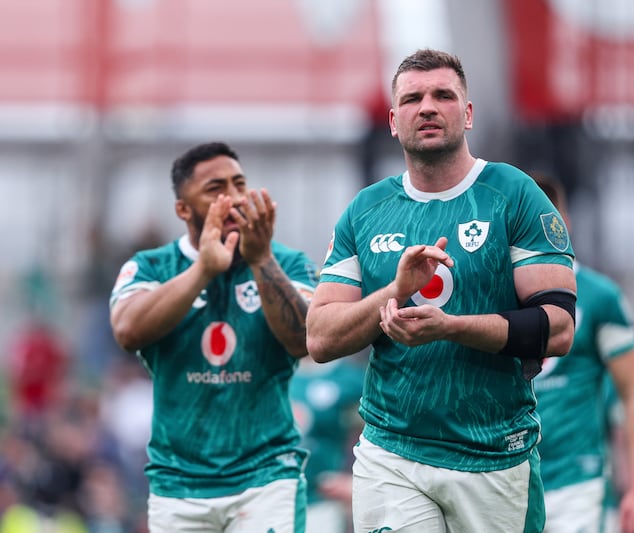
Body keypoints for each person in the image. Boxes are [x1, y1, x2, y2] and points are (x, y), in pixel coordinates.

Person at [306, 48, 577, 533]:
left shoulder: (513, 194)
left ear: (467, 113)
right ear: (393, 120)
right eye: (412, 98)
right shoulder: (365, 211)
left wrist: (451, 328)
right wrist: (394, 290)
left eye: (443, 95)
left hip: (494, 454)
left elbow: (557, 328)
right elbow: (321, 337)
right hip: (392, 453)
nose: (427, 107)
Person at [109, 142, 318, 533]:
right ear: (183, 210)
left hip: (267, 477)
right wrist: (203, 270)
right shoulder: (150, 267)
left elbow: (305, 341)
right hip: (178, 483)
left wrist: (261, 260)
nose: (235, 197)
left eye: (240, 183)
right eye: (215, 188)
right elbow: (127, 330)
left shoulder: (288, 263)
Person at [530, 174, 634, 533]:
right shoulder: (496, 296)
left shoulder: (600, 296)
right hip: (509, 479)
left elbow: (633, 393)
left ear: (563, 223)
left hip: (577, 479)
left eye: (549, 218)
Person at [289, 353, 366, 533]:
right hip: (271, 500)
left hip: (321, 502)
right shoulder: (272, 372)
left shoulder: (350, 379)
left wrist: (355, 482)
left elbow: (380, 434)